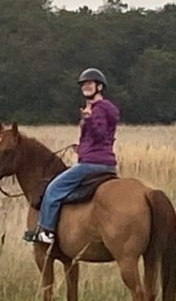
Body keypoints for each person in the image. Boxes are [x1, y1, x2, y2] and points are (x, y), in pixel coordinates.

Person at [26, 68, 120, 247]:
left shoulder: (98, 109)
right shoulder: (104, 109)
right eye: (83, 84)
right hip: (105, 162)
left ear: (99, 87)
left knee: (53, 189)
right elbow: (102, 139)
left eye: (89, 83)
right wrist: (82, 148)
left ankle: (46, 232)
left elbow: (99, 133)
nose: (85, 86)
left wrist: (89, 119)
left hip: (92, 164)